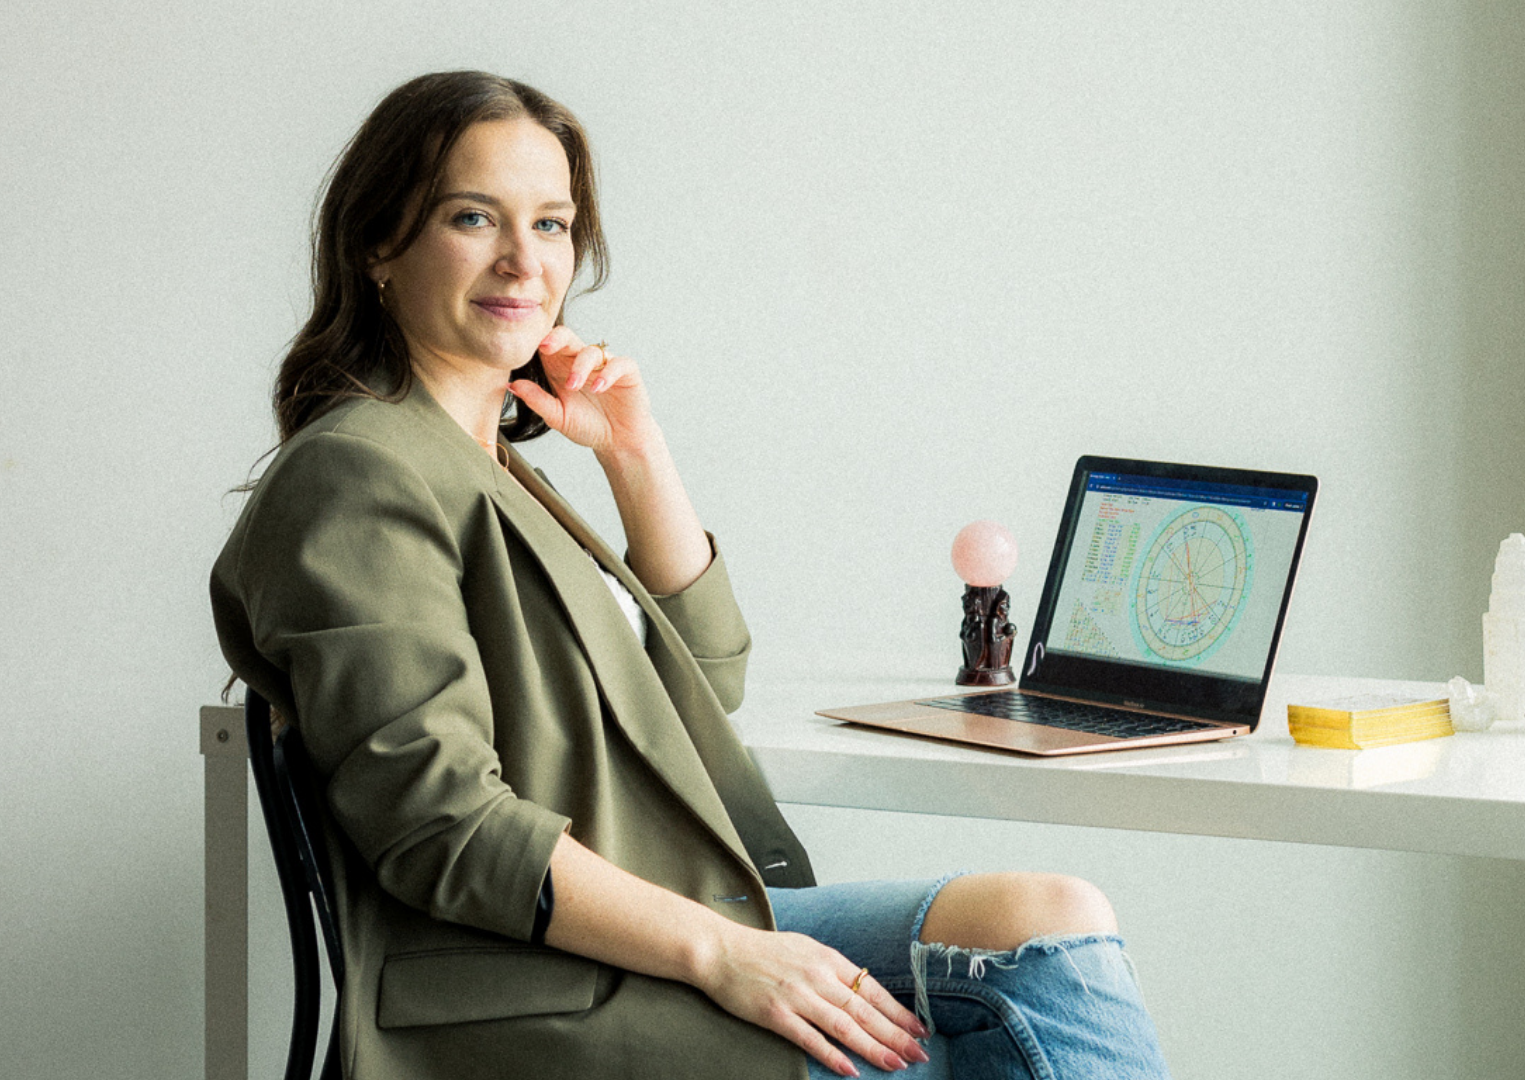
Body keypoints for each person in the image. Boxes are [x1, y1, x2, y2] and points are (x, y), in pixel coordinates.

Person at [211, 70, 1171, 1080]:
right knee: (961, 1053)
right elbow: (440, 827)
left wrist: (635, 454)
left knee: (1054, 920)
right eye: (472, 217)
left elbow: (702, 694)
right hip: (522, 988)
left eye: (551, 225)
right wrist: (725, 954)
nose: (523, 261)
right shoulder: (359, 473)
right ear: (377, 244)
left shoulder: (494, 467)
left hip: (640, 918)